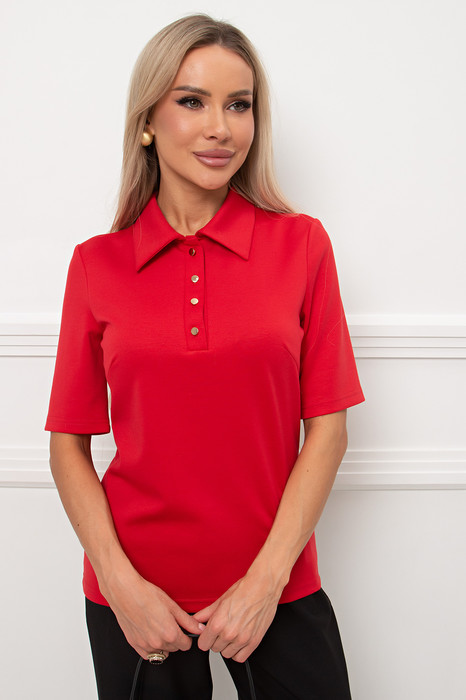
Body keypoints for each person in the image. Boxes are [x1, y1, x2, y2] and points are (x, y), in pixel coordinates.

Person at [45, 13, 365, 700]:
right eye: (192, 101)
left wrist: (265, 584)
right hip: (136, 600)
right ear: (147, 122)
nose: (221, 127)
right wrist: (120, 585)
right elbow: (68, 445)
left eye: (239, 105)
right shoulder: (96, 265)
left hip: (275, 584)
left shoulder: (302, 246)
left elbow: (329, 430)